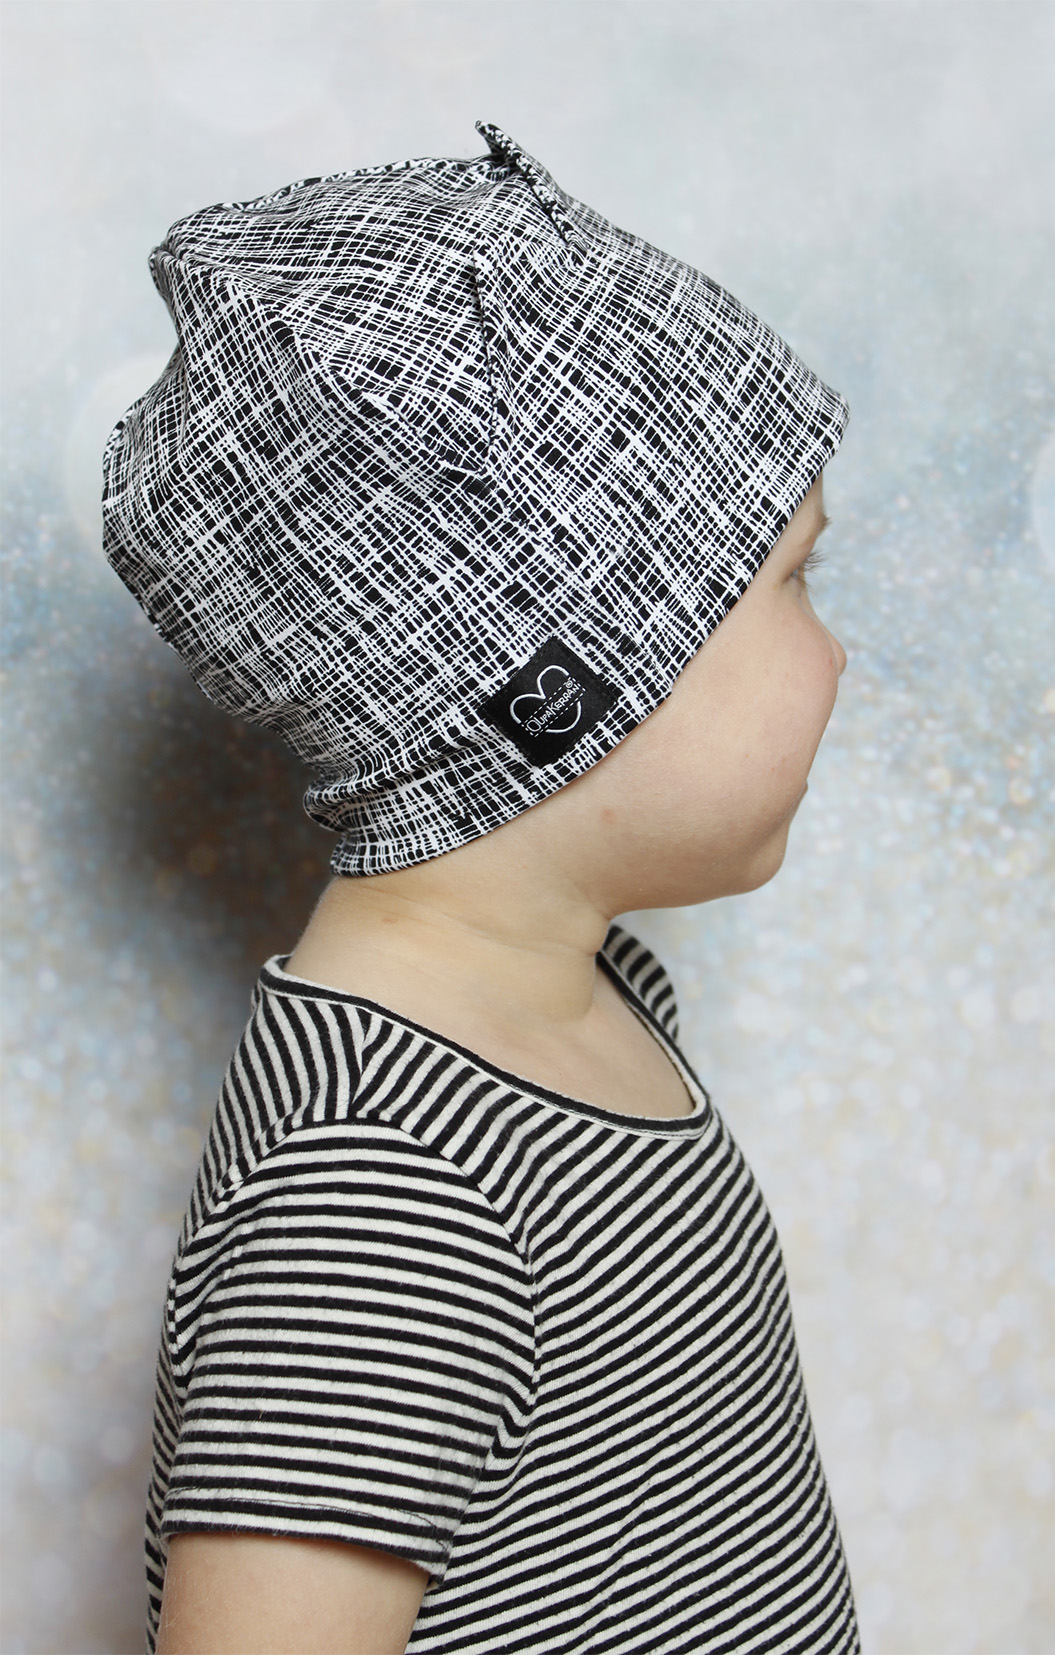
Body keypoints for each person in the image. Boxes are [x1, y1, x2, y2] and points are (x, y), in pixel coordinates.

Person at [102, 122, 859, 1654]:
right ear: (560, 693)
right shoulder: (379, 1191)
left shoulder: (582, 1003)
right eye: (794, 582)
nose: (838, 654)